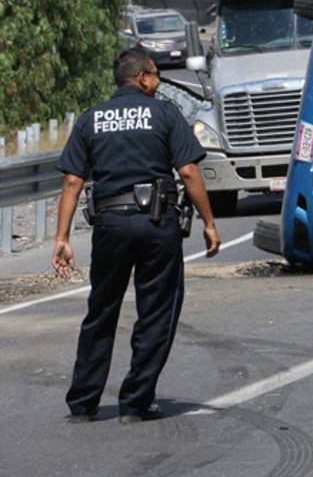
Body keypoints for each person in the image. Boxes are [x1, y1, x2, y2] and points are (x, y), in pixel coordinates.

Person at [52, 48, 221, 424]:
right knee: (156, 312)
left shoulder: (91, 119)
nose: (158, 81)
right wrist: (209, 222)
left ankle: (82, 402)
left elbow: (72, 180)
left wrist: (61, 237)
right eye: (156, 75)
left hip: (110, 225)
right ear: (142, 77)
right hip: (156, 223)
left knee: (101, 310)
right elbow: (189, 171)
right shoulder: (163, 113)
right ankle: (136, 402)